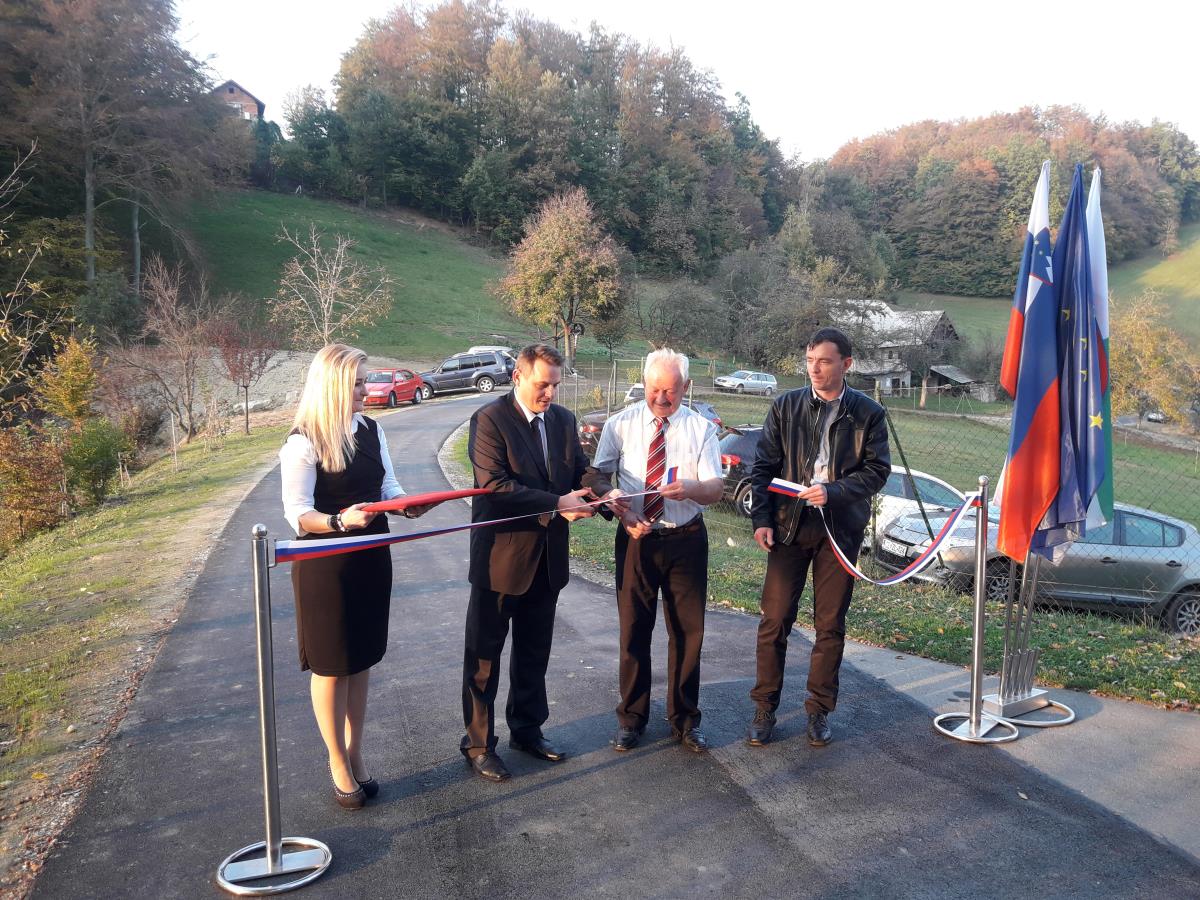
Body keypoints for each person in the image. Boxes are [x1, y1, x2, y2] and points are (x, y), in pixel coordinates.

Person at [280, 344, 431, 809]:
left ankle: (355, 751)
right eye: (359, 384)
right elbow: (298, 514)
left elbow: (387, 486)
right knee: (332, 665)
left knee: (361, 659)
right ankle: (336, 760)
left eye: (365, 381)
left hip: (371, 556)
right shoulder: (303, 441)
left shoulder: (371, 429)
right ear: (332, 387)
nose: (368, 390)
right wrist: (340, 522)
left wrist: (405, 504)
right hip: (326, 565)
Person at [746, 328, 890, 748]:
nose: (814, 369)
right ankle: (764, 708)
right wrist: (761, 519)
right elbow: (763, 467)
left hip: (839, 530)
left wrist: (835, 491)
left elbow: (877, 471)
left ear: (847, 364)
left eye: (824, 361)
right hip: (789, 525)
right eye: (810, 360)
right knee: (774, 620)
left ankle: (818, 710)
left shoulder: (868, 413)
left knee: (829, 625)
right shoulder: (786, 405)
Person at [461, 343, 598, 782]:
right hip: (500, 561)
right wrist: (557, 503)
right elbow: (495, 486)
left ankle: (527, 729)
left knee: (534, 652)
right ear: (518, 376)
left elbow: (580, 470)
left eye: (556, 385)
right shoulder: (489, 419)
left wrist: (605, 491)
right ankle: (479, 744)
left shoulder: (563, 420)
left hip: (547, 559)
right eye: (543, 385)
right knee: (484, 658)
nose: (550, 394)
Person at [587, 348, 724, 753]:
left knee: (687, 633)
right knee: (634, 631)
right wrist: (616, 502)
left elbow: (715, 489)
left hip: (686, 539)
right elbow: (596, 475)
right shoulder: (620, 424)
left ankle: (685, 720)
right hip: (636, 539)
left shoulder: (701, 429)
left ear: (686, 387)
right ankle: (631, 718)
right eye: (655, 389)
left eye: (671, 390)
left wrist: (692, 488)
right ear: (644, 383)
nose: (662, 398)